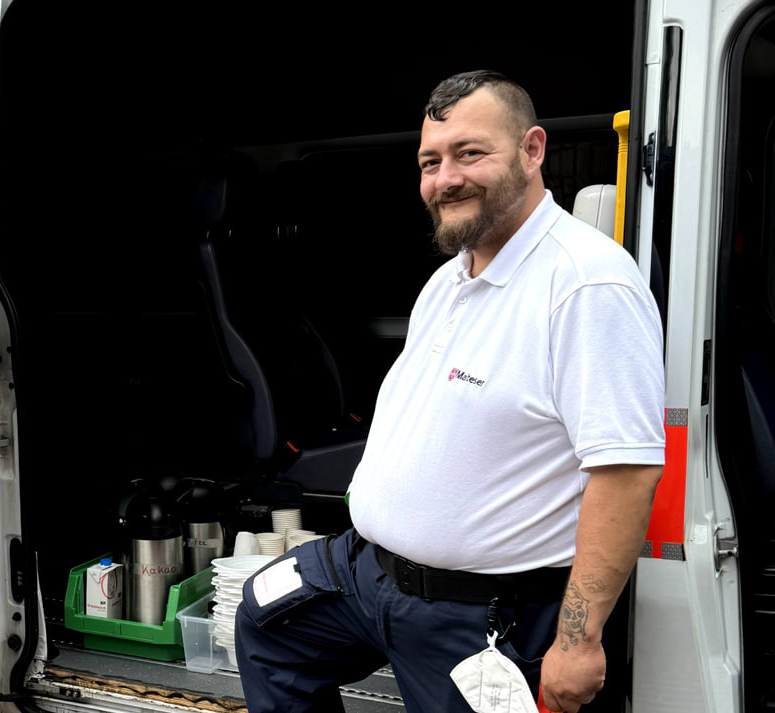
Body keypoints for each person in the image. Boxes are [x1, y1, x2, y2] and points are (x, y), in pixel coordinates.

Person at [235, 70, 665, 713]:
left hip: (482, 614)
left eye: (470, 154)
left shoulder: (585, 285)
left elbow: (626, 472)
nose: (445, 179)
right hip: (365, 572)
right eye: (430, 162)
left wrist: (578, 642)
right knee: (268, 623)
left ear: (532, 150)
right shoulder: (449, 279)